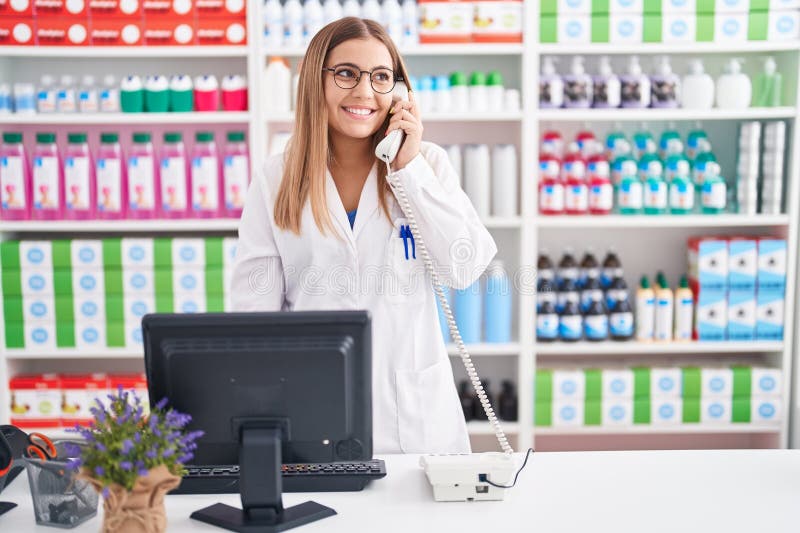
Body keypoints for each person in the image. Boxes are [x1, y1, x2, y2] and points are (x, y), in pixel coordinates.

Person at [230, 17, 497, 454]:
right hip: (311, 412)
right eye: (346, 73)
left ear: (400, 93)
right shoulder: (276, 178)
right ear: (316, 82)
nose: (365, 92)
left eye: (381, 77)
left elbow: (465, 267)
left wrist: (408, 169)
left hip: (415, 422)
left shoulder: (426, 164)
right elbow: (253, 317)